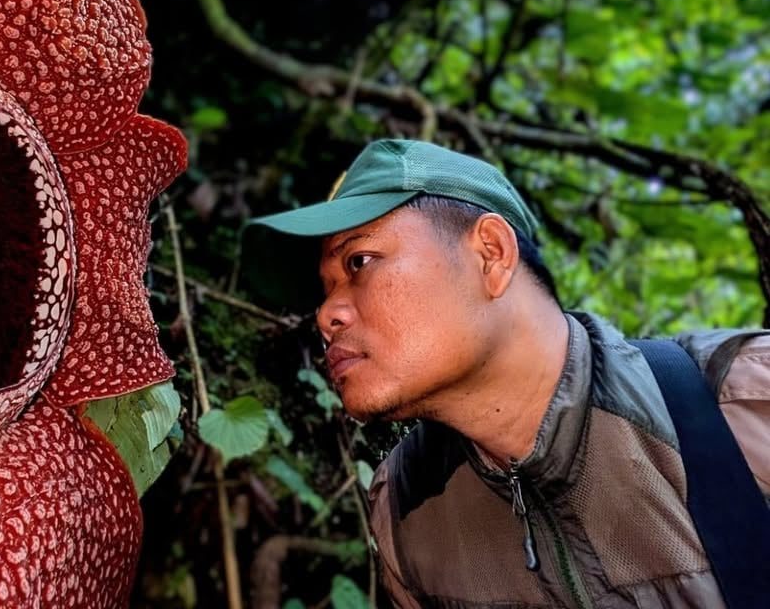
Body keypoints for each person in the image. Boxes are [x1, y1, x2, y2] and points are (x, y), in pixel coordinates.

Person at [243, 139, 770, 609]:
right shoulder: (407, 512)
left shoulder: (742, 401)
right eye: (326, 288)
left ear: (491, 255)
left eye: (358, 263)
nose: (326, 314)